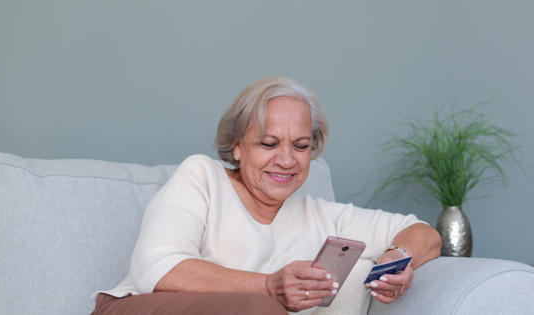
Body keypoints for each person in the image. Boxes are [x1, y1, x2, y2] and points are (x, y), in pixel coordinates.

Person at [91, 76, 441, 314]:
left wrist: (396, 259)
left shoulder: (323, 216)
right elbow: (157, 269)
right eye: (269, 144)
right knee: (261, 309)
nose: (287, 160)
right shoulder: (202, 177)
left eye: (301, 146)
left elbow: (424, 233)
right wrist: (270, 286)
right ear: (238, 147)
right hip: (135, 308)